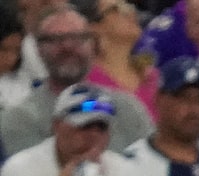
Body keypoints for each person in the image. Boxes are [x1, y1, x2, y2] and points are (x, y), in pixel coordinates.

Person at [0, 6, 151, 154]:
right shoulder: (19, 119)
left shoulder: (127, 109)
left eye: (77, 38)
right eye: (55, 40)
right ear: (38, 49)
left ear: (92, 44)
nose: (67, 46)